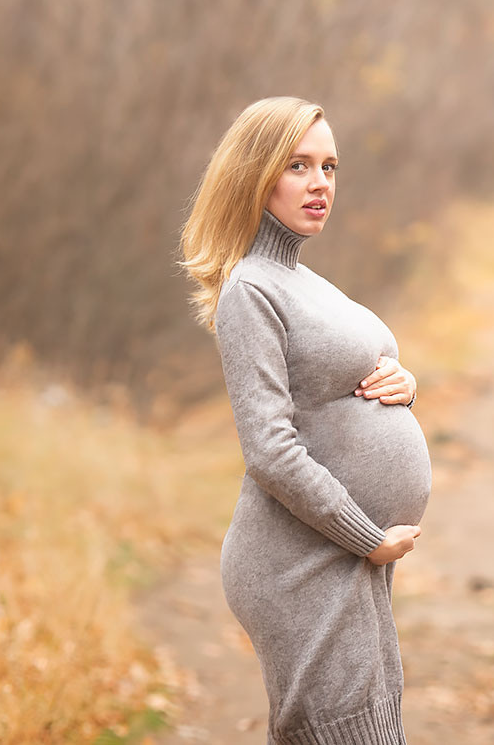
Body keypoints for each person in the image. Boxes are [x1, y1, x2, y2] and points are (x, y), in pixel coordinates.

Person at [178, 96, 431, 744]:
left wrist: (404, 384)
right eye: (298, 165)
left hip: (341, 552)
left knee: (365, 723)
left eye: (330, 166)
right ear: (255, 175)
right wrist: (365, 535)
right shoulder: (251, 290)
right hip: (298, 559)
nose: (321, 183)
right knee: (339, 730)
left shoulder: (305, 280)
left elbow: (344, 379)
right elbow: (268, 448)